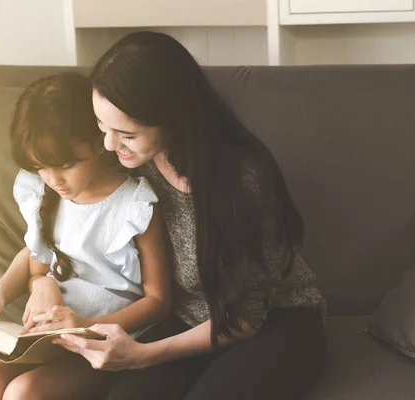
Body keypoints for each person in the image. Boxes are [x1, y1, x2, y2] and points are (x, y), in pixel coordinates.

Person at [53, 31, 327, 400]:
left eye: (126, 134)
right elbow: (60, 208)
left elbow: (245, 318)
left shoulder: (242, 181)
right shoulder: (132, 166)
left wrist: (142, 355)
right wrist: (41, 282)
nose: (109, 145)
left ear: (172, 117)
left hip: (276, 320)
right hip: (189, 318)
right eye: (103, 128)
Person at [0, 72, 172, 400]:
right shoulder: (42, 191)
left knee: (22, 392)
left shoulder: (136, 205)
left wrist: (86, 325)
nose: (53, 179)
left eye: (66, 165)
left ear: (99, 140)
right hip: (47, 332)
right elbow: (35, 255)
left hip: (100, 339)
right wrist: (1, 295)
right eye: (40, 167)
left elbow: (159, 301)